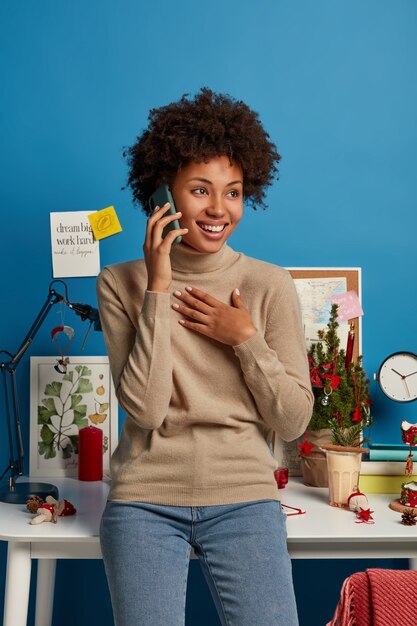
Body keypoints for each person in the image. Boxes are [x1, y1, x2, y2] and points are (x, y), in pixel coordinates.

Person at [97, 88, 314, 626]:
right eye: (200, 190)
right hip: (144, 500)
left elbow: (293, 419)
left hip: (244, 497)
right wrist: (158, 287)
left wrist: (245, 340)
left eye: (234, 192)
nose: (219, 210)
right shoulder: (120, 284)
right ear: (161, 198)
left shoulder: (268, 285)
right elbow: (145, 412)